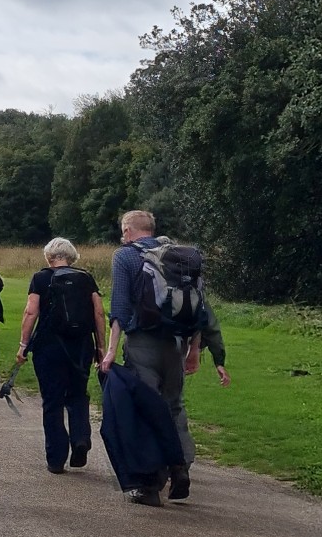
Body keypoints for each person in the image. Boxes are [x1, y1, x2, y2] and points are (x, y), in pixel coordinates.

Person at [100, 210, 200, 504]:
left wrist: (110, 351)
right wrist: (194, 349)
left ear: (129, 230)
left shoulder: (125, 256)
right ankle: (181, 467)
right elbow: (200, 308)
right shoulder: (181, 256)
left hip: (142, 341)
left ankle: (151, 485)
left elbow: (119, 307)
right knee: (173, 406)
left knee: (146, 409)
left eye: (122, 229)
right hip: (176, 344)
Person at [16, 237, 105, 473]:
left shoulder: (41, 278)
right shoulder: (85, 278)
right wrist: (101, 347)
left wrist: (23, 344)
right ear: (71, 256)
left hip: (49, 347)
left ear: (49, 257)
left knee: (52, 401)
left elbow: (30, 311)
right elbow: (98, 312)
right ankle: (81, 438)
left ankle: (56, 458)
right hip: (82, 346)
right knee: (77, 394)